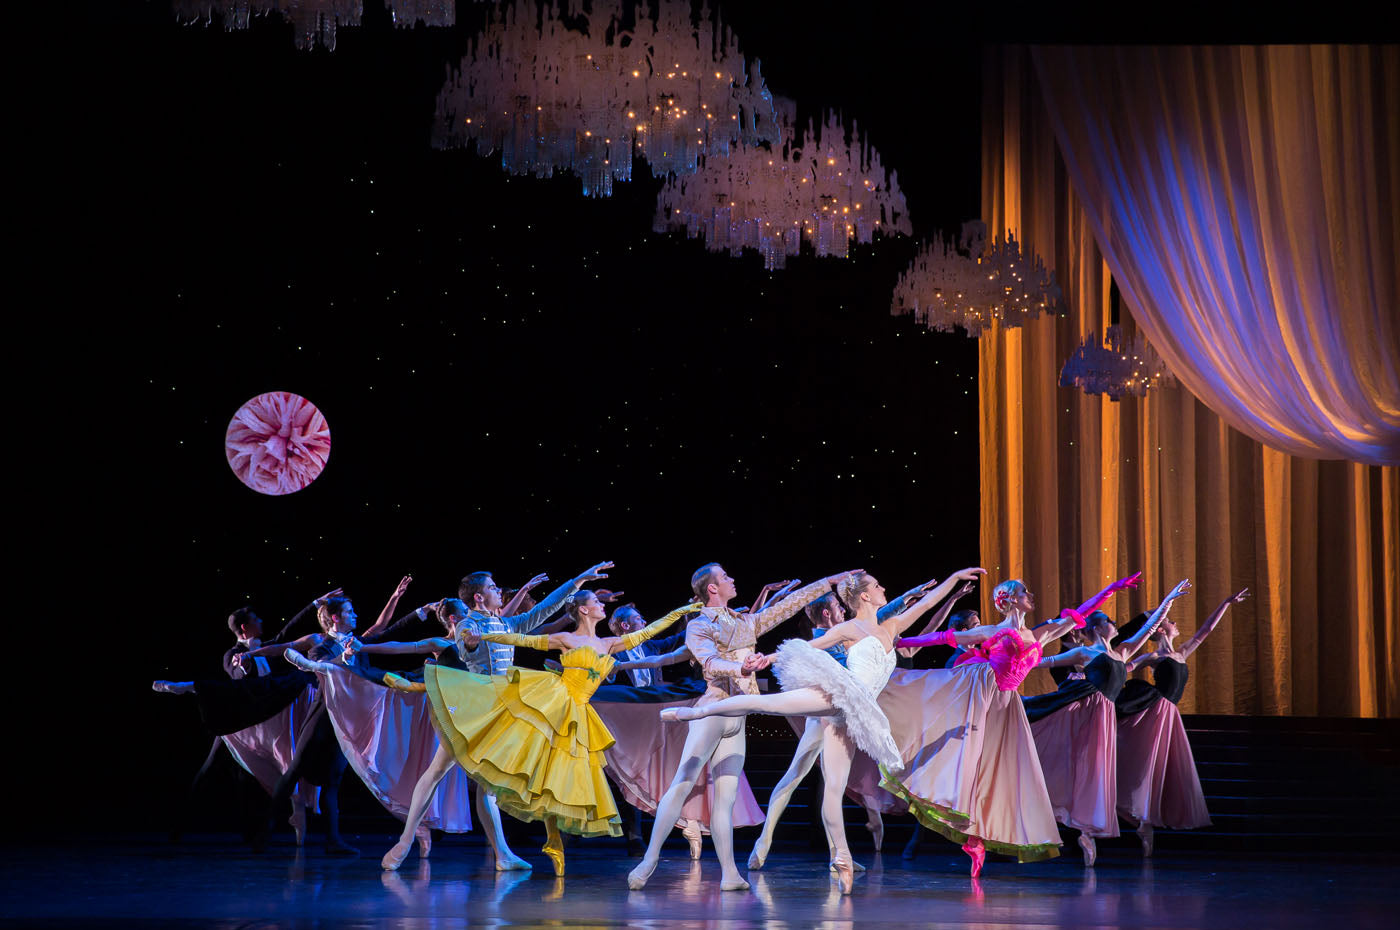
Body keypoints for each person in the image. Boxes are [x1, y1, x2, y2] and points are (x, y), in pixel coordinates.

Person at [664, 569, 984, 893]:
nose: (883, 587)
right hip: (835, 695)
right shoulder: (847, 628)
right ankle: (696, 712)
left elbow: (925, 604)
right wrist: (767, 658)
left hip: (855, 712)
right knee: (769, 705)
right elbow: (809, 645)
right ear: (864, 595)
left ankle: (841, 858)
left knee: (835, 787)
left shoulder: (892, 626)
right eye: (877, 585)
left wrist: (954, 579)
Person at [391, 580, 700, 876]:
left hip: (577, 712)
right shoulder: (566, 639)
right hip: (549, 701)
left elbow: (647, 633)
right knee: (520, 769)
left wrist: (681, 612)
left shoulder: (610, 643)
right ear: (583, 610)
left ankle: (548, 842)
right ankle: (411, 839)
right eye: (595, 602)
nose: (601, 605)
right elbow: (523, 640)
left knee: (555, 775)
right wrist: (482, 637)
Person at [882, 572, 1143, 876]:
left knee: (1000, 773)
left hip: (1009, 705)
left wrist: (1110, 588)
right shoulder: (993, 631)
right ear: (1008, 600)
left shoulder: (1038, 635)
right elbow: (942, 638)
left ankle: (977, 836)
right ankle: (963, 828)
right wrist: (900, 641)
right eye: (1024, 591)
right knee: (970, 766)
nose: (1030, 595)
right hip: (983, 696)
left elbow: (1077, 617)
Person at [626, 564, 850, 892]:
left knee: (726, 798)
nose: (733, 579)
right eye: (726, 577)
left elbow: (786, 606)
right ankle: (649, 860)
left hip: (738, 716)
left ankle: (729, 873)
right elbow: (709, 661)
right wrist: (739, 666)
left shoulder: (745, 621)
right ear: (712, 588)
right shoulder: (700, 625)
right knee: (683, 782)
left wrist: (827, 581)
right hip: (712, 711)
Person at [378, 561, 612, 871]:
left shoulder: (506, 625)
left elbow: (542, 610)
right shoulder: (469, 624)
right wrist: (469, 643)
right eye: (492, 588)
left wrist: (577, 581)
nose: (498, 591)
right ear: (477, 597)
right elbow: (465, 641)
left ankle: (502, 855)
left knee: (487, 784)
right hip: (474, 709)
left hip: (500, 711)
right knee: (438, 769)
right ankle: (406, 840)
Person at [1026, 578, 1192, 865]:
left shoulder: (1122, 651)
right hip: (1086, 714)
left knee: (1103, 772)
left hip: (1107, 716)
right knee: (1087, 770)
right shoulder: (1085, 653)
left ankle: (1119, 822)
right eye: (1109, 620)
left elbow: (1148, 629)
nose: (1114, 622)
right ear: (1096, 628)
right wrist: (1014, 657)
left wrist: (1170, 600)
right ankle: (1084, 831)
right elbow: (1043, 663)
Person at [1115, 587, 1247, 854]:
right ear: (1160, 630)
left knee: (1161, 768)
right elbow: (1121, 667)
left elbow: (1205, 631)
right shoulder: (1153, 657)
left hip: (1169, 716)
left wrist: (1225, 602)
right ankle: (1134, 814)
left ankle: (1145, 821)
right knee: (1143, 765)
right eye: (1170, 621)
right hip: (1153, 713)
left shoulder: (1181, 653)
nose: (1176, 624)